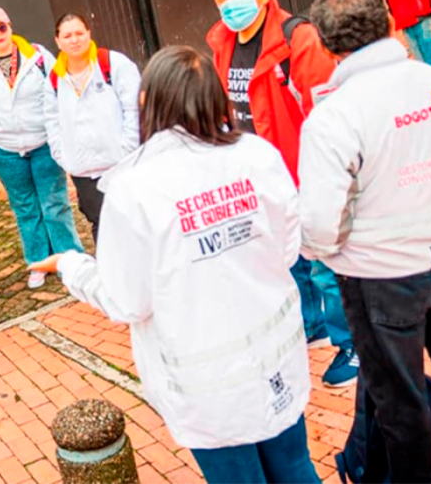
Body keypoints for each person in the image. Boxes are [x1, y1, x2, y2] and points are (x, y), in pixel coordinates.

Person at [30, 46, 318, 484]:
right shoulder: (258, 156)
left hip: (207, 384)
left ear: (147, 103)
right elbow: (289, 247)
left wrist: (71, 265)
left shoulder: (133, 188)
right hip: (277, 358)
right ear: (216, 98)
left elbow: (126, 300)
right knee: (296, 470)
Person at [300, 0, 431, 483]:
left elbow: (319, 228)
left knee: (401, 406)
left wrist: (339, 244)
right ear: (389, 23)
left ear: (324, 45)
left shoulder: (333, 116)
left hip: (381, 280)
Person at [205, 0, 357, 388]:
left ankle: (353, 344)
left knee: (326, 261)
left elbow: (327, 111)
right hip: (260, 175)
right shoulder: (223, 41)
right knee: (287, 257)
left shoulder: (299, 39)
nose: (231, 3)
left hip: (304, 171)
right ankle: (313, 327)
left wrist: (327, 174)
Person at [0, 7, 83, 289]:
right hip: (5, 152)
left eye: (2, 28)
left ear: (10, 26)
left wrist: (58, 132)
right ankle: (38, 261)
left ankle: (71, 261)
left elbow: (61, 92)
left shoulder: (39, 57)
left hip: (43, 145)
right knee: (25, 209)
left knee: (54, 204)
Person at [43, 13, 141, 244]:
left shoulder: (114, 64)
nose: (74, 40)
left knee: (134, 222)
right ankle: (111, 277)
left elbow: (135, 111)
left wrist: (126, 150)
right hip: (84, 173)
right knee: (101, 225)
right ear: (58, 41)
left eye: (79, 33)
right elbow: (52, 122)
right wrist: (65, 158)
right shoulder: (55, 79)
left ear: (89, 34)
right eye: (67, 36)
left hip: (121, 165)